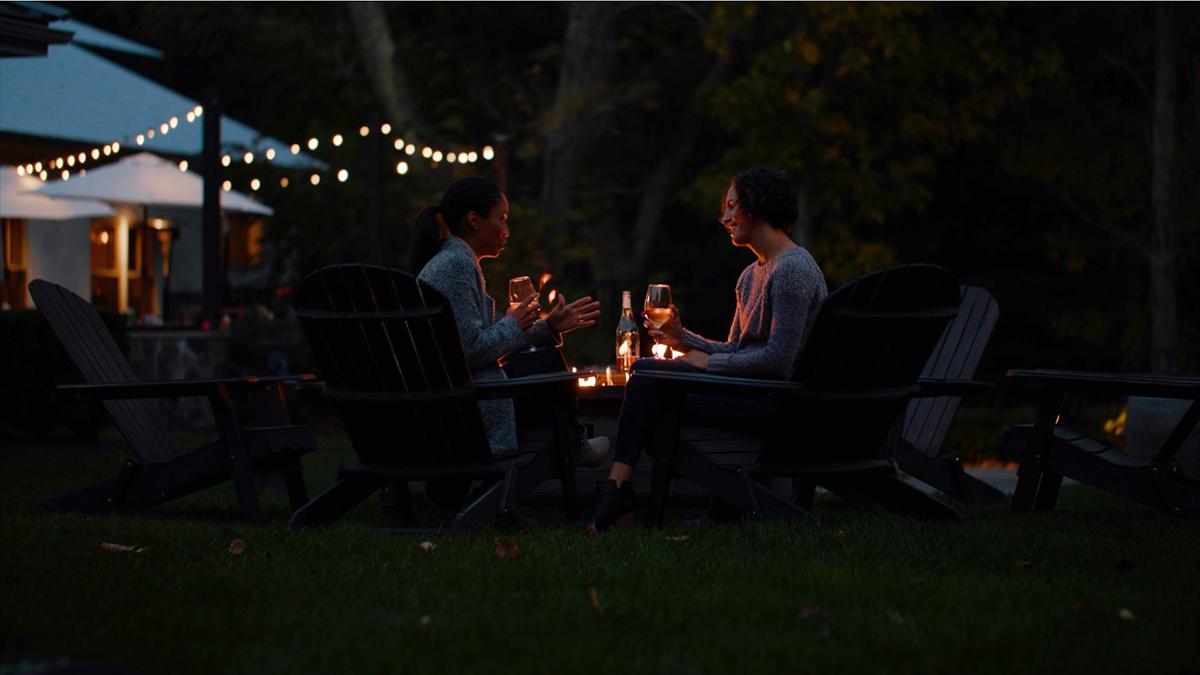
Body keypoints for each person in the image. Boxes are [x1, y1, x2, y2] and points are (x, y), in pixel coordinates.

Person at [586, 166, 828, 533]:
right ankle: (630, 489)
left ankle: (619, 490)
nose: (725, 217)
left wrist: (707, 363)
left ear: (757, 205)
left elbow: (780, 361)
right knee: (650, 375)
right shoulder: (751, 275)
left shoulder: (794, 270)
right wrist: (684, 338)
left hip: (778, 404)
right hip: (747, 393)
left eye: (732, 206)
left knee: (650, 380)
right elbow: (735, 348)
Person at [410, 177, 608, 463]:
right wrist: (513, 323)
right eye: (501, 220)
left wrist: (548, 326)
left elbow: (482, 341)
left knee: (542, 356)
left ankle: (572, 440)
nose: (506, 230)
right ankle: (573, 443)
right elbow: (473, 350)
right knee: (544, 362)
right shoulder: (455, 266)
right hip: (464, 406)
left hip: (452, 395)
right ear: (474, 221)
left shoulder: (456, 261)